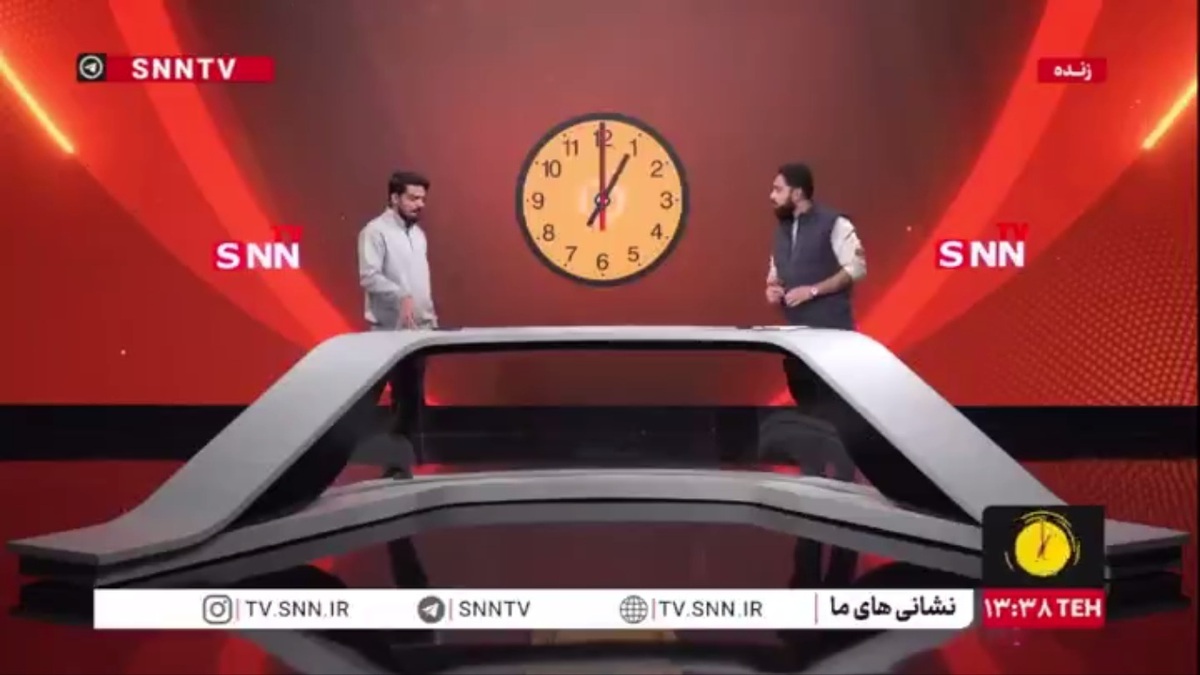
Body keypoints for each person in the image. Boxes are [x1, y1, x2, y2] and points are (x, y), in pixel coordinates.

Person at [358, 170, 437, 467]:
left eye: (422, 199)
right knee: (400, 402)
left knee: (412, 402)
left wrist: (428, 316)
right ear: (394, 198)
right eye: (413, 198)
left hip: (420, 330)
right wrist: (400, 294)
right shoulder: (375, 232)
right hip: (390, 332)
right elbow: (369, 276)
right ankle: (396, 467)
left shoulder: (418, 235)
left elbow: (420, 282)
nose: (420, 204)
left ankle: (407, 466)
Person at [764, 162, 866, 330]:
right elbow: (776, 277)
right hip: (797, 335)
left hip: (833, 332)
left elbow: (856, 269)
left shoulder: (834, 223)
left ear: (797, 194)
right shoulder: (782, 231)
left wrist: (813, 291)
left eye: (778, 190)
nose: (772, 196)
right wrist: (773, 291)